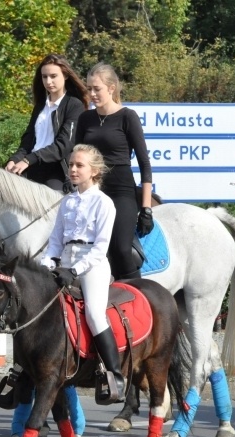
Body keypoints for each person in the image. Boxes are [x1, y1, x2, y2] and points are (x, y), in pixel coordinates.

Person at [42, 144, 124, 404]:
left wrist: (74, 270)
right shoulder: (67, 201)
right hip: (65, 260)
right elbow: (55, 240)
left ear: (95, 171)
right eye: (71, 164)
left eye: (79, 165)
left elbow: (101, 248)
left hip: (92, 265)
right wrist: (47, 264)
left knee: (94, 313)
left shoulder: (104, 203)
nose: (73, 169)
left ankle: (114, 376)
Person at [75, 62, 154, 280]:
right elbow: (77, 157)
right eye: (89, 89)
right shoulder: (85, 118)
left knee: (120, 248)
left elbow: (145, 165)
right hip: (92, 192)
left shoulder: (128, 116)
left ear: (111, 88)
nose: (92, 94)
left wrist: (146, 209)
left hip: (121, 190)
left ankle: (138, 296)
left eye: (96, 89)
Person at [5, 54, 90, 192]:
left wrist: (28, 160)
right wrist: (14, 160)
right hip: (31, 165)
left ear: (66, 76)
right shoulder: (40, 106)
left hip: (56, 170)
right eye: (44, 77)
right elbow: (27, 141)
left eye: (53, 76)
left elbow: (63, 146)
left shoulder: (74, 105)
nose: (48, 81)